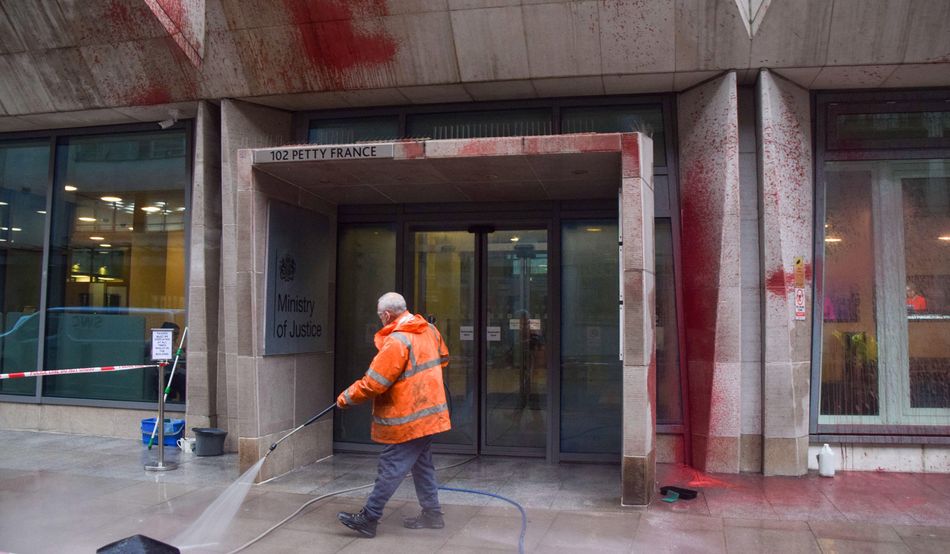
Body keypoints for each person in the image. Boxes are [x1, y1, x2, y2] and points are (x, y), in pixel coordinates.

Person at [336, 292, 452, 538]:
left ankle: (369, 518)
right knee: (422, 465)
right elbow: (443, 358)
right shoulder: (430, 330)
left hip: (410, 417)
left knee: (391, 465)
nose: (380, 319)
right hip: (431, 412)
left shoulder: (397, 341)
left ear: (387, 315)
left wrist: (345, 398)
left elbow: (373, 383)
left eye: (380, 316)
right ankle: (432, 515)